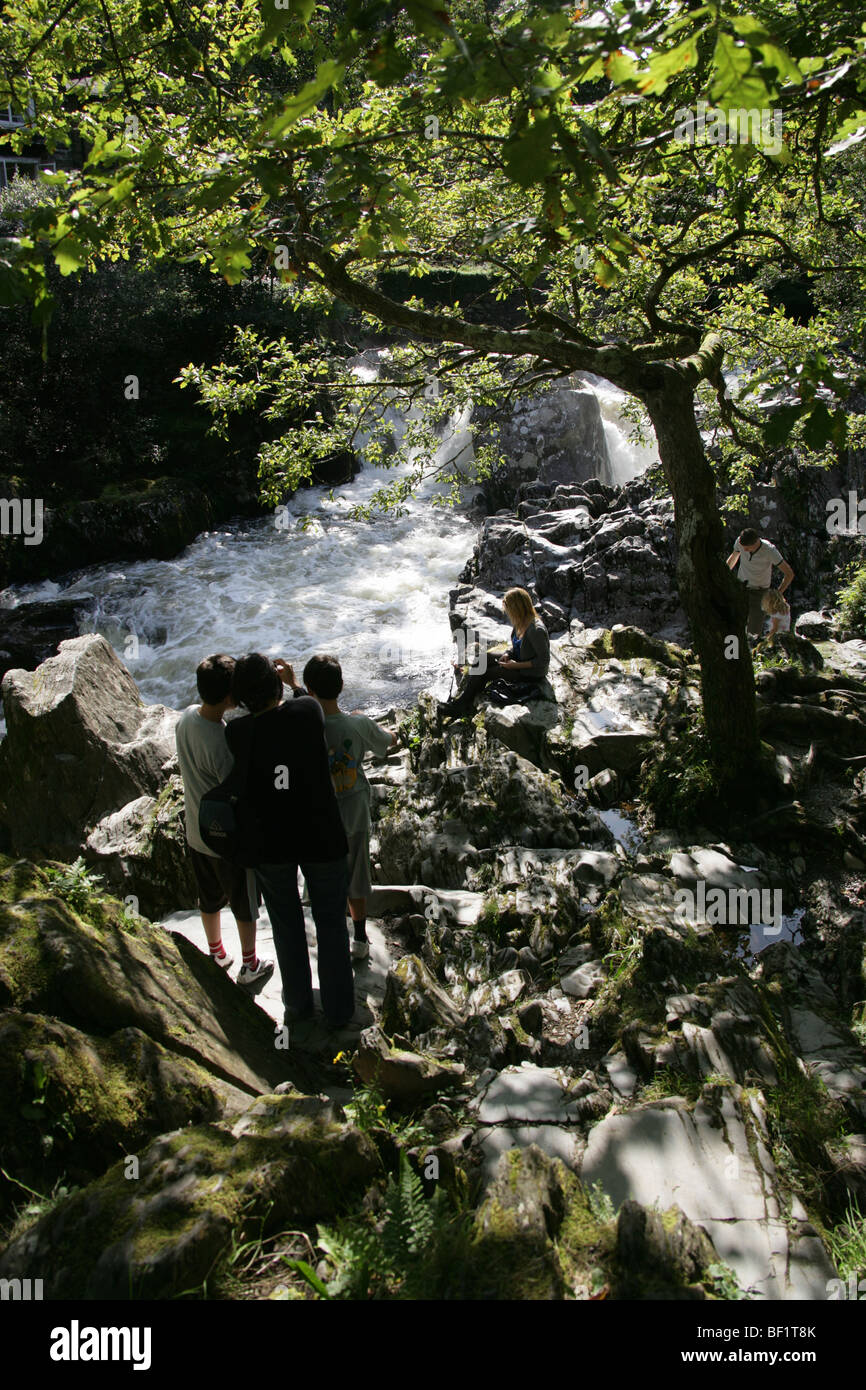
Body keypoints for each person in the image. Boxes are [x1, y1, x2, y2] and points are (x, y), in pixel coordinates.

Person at [226, 652, 355, 1029]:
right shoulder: (306, 713)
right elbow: (307, 704)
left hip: (271, 842)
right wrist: (294, 683)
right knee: (331, 922)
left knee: (286, 925)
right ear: (274, 685)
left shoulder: (237, 733)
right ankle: (339, 1011)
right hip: (319, 834)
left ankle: (298, 1008)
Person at [175, 654, 274, 988]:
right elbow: (236, 793)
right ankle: (249, 965)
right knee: (243, 904)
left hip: (195, 832)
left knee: (209, 898)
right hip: (226, 840)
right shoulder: (222, 740)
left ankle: (216, 952)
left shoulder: (186, 718)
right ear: (231, 696)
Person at [303, 654, 397, 962]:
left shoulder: (305, 728)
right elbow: (388, 741)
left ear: (309, 689)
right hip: (355, 810)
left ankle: (330, 932)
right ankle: (359, 938)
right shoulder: (358, 724)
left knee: (326, 876)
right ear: (342, 686)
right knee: (358, 875)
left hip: (321, 816)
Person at [439, 586, 550, 717]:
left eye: (509, 609)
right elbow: (516, 646)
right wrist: (508, 654)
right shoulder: (520, 621)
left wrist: (515, 665)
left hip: (529, 673)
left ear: (517, 608)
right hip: (518, 660)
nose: (507, 613)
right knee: (482, 658)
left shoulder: (536, 630)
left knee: (486, 672)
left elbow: (543, 661)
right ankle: (467, 699)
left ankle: (460, 707)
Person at [726, 528, 794, 640]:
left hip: (759, 593)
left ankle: (751, 654)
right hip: (740, 588)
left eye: (747, 548)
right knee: (734, 624)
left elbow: (789, 573)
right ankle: (733, 654)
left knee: (753, 631)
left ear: (756, 542)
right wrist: (724, 575)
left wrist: (777, 594)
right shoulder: (739, 542)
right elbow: (734, 557)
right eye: (743, 548)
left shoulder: (769, 551)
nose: (744, 550)